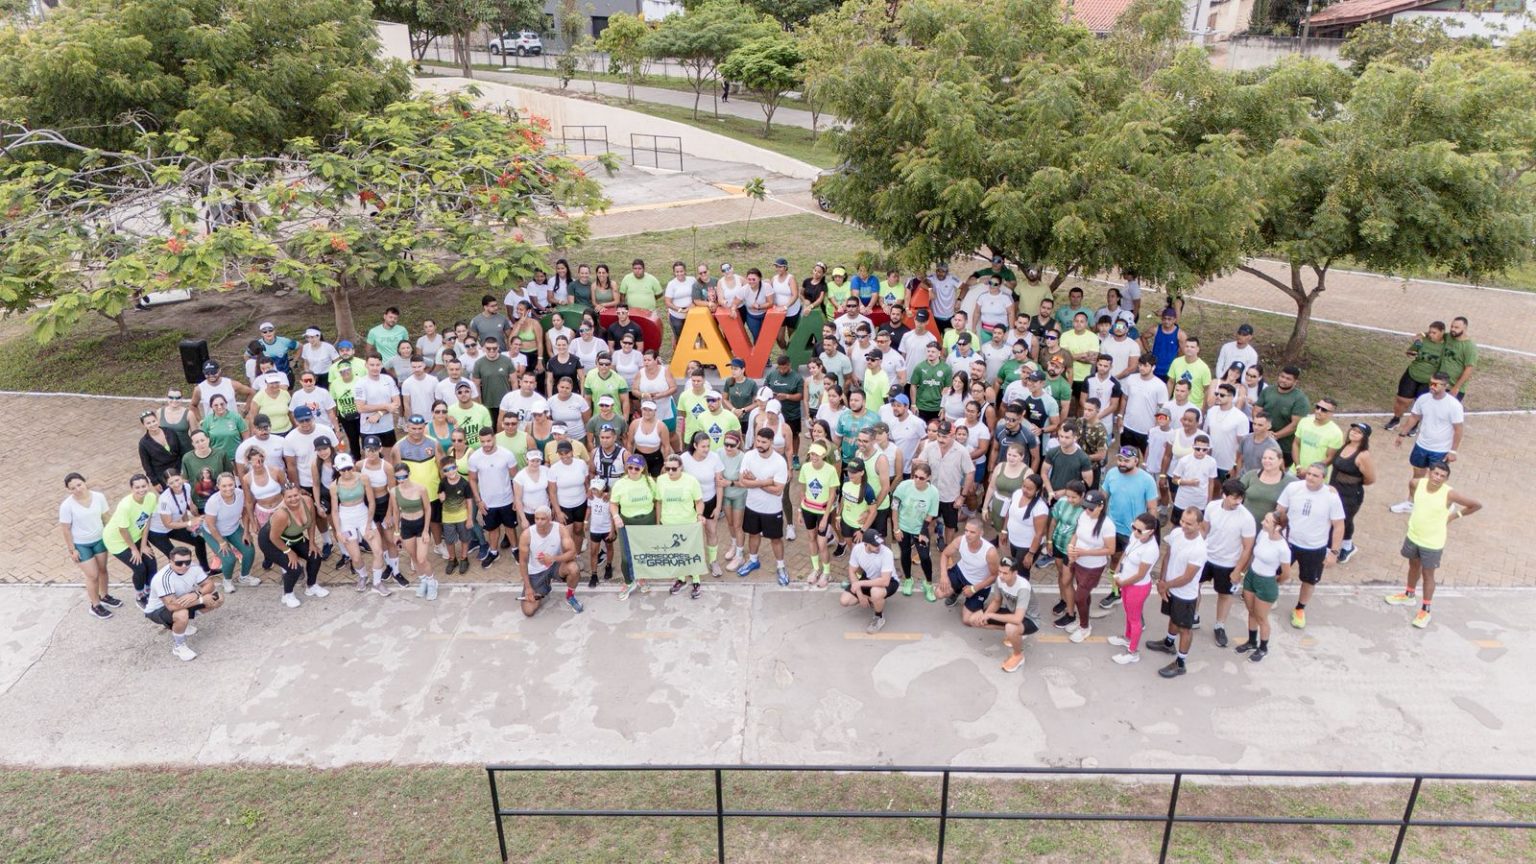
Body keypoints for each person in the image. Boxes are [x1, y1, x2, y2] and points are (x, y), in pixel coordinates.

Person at [1385, 462, 1481, 629]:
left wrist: (1453, 516)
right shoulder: (1417, 483)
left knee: (1428, 575)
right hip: (1413, 535)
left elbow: (1476, 505)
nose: (1438, 478)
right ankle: (1409, 595)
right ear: (1430, 473)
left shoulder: (1449, 494)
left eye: (1442, 476)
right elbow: (1412, 488)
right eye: (1436, 473)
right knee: (1413, 566)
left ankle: (1425, 610)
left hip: (1432, 542)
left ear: (1446, 479)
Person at [1274, 462, 1345, 630]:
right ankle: (1271, 595)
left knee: (1309, 580)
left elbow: (1339, 525)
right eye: (1309, 474)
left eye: (1315, 475)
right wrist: (1275, 532)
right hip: (1288, 543)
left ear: (1323, 478)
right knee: (1275, 572)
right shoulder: (1293, 488)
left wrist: (1334, 552)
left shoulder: (1331, 497)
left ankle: (1300, 609)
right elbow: (1280, 511)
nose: (1310, 478)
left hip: (1315, 548)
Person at [1390, 372, 1465, 514]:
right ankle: (1411, 503)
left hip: (1440, 449)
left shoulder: (1453, 405)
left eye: (1436, 384)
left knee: (1435, 480)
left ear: (1445, 386)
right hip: (1421, 445)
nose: (1432, 386)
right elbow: (1414, 417)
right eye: (1431, 383)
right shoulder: (1423, 399)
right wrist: (1402, 434)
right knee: (1417, 478)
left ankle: (1445, 504)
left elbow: (1458, 430)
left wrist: (1453, 451)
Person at [1147, 506, 1208, 678]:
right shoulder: (1176, 533)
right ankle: (1168, 643)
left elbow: (1188, 577)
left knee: (1185, 628)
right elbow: (1167, 556)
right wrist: (1162, 580)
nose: (1184, 526)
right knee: (1173, 618)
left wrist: (1166, 585)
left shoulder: (1199, 548)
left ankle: (1181, 663)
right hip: (1170, 587)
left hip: (1185, 594)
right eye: (1182, 521)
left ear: (1199, 525)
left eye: (1189, 524)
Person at [1200, 479, 1257, 647]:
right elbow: (1204, 530)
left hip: (1228, 563)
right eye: (1234, 497)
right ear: (1224, 495)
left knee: (1225, 595)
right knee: (1194, 587)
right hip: (1206, 557)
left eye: (1240, 498)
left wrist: (1238, 571)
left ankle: (1220, 626)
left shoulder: (1246, 518)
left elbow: (1248, 548)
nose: (1238, 501)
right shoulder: (1212, 507)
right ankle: (1192, 616)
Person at [143, 547, 224, 662]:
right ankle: (179, 646)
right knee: (181, 614)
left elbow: (210, 584)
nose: (184, 566)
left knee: (218, 598)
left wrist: (197, 594)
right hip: (158, 609)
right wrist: (201, 600)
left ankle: (182, 625)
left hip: (182, 600)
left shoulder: (194, 568)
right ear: (170, 561)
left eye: (187, 562)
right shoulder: (163, 578)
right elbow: (171, 606)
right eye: (179, 563)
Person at [60, 472, 120, 619]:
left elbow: (106, 517)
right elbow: (66, 529)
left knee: (103, 569)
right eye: (73, 488)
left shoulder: (99, 497)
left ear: (84, 482)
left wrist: (113, 535)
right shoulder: (67, 506)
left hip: (100, 539)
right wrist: (72, 550)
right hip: (81, 544)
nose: (77, 489)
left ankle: (104, 596)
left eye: (79, 485)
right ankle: (95, 605)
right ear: (69, 490)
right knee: (92, 575)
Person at [735, 427, 791, 585]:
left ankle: (780, 566)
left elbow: (778, 491)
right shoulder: (749, 456)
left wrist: (754, 481)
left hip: (772, 509)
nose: (759, 444)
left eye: (763, 442)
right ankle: (753, 560)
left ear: (771, 442)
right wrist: (766, 481)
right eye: (757, 440)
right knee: (753, 534)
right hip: (752, 506)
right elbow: (742, 482)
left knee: (776, 539)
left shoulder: (779, 462)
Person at [1236, 511, 1292, 662]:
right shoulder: (1263, 535)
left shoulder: (1283, 548)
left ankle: (1263, 647)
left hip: (1266, 581)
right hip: (1251, 576)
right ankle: (1251, 642)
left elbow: (1286, 574)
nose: (1262, 522)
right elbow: (1254, 554)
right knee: (1251, 612)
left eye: (1267, 521)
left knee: (1261, 617)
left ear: (1278, 527)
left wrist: (1274, 582)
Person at [262, 484, 327, 608]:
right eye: (289, 497)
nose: (293, 499)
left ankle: (311, 586)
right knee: (295, 567)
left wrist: (312, 543)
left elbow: (312, 522)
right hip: (271, 541)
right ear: (283, 498)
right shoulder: (281, 514)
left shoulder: (308, 501)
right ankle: (287, 594)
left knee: (315, 556)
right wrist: (289, 552)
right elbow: (274, 537)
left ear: (300, 494)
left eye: (296, 495)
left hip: (293, 537)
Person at [1107, 512, 1160, 665]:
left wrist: (1122, 583)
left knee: (1135, 619)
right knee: (1128, 614)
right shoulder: (1135, 537)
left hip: (1137, 587)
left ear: (1150, 532)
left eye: (1139, 530)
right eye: (1133, 527)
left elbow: (1140, 574)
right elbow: (1125, 553)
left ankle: (1133, 652)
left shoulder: (1151, 549)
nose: (1135, 532)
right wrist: (1117, 570)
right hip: (1126, 582)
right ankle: (1127, 638)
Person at [1063, 489, 1115, 642]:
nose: (1087, 511)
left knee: (1080, 597)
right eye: (1085, 507)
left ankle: (1085, 627)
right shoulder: (1083, 515)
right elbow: (1076, 534)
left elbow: (1110, 549)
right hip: (1078, 561)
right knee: (1083, 595)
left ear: (1101, 506)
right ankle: (1081, 621)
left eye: (1091, 508)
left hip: (1093, 567)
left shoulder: (1107, 525)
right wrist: (1071, 546)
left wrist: (1084, 552)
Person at [106, 474, 160, 607]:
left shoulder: (151, 497)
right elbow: (122, 530)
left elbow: (147, 519)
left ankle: (149, 591)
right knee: (140, 568)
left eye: (144, 486)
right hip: (117, 540)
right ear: (131, 489)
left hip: (136, 536)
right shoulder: (125, 506)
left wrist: (143, 545)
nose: (141, 490)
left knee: (151, 563)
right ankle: (140, 595)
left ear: (148, 485)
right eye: (137, 487)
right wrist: (134, 550)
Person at [657, 454, 707, 597]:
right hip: (668, 523)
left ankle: (696, 580)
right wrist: (658, 521)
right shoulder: (661, 480)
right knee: (675, 553)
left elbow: (699, 501)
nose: (670, 472)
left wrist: (699, 515)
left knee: (691, 552)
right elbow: (659, 502)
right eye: (667, 468)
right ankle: (681, 579)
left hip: (688, 523)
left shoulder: (691, 481)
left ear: (681, 468)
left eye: (674, 469)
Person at [611, 454, 659, 600]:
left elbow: (657, 501)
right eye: (630, 467)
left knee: (644, 553)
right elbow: (613, 503)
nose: (632, 470)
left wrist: (658, 521)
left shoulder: (649, 481)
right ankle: (628, 582)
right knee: (626, 556)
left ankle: (641, 578)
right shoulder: (620, 483)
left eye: (636, 468)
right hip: (627, 523)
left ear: (642, 468)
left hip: (647, 521)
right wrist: (616, 516)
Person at [519, 507, 583, 616]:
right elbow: (523, 562)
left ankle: (570, 596)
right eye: (536, 518)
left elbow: (572, 553)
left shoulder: (560, 529)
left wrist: (553, 558)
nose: (539, 522)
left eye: (542, 519)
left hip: (555, 566)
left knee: (574, 568)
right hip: (536, 572)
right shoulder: (527, 535)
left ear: (550, 519)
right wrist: (528, 587)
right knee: (528, 611)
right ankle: (542, 588)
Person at [1386, 321, 1447, 431]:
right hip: (1413, 373)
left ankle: (1414, 425)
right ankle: (1396, 419)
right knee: (1402, 399)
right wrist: (1412, 350)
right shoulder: (1422, 340)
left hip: (1430, 379)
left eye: (1434, 333)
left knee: (1422, 403)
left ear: (1442, 332)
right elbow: (1410, 352)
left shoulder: (1446, 346)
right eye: (1430, 332)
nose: (1431, 335)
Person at [1328, 422, 1375, 563]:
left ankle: (1347, 546)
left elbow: (1370, 479)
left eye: (1359, 432)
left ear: (1364, 437)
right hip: (1334, 491)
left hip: (1350, 495)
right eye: (1353, 430)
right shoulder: (1345, 446)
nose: (1354, 433)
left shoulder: (1363, 455)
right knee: (1331, 517)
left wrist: (1353, 482)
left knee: (1345, 520)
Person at [937, 517, 999, 619]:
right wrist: (943, 575)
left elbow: (994, 576)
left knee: (967, 619)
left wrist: (974, 589)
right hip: (961, 572)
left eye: (972, 532)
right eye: (966, 530)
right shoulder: (960, 540)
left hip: (978, 583)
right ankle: (956, 591)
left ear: (981, 533)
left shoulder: (990, 552)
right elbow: (945, 554)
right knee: (939, 593)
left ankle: (982, 606)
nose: (967, 534)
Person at [388, 463, 434, 599]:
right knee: (414, 558)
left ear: (409, 474)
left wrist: (426, 530)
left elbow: (428, 509)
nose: (401, 480)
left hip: (421, 524)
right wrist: (396, 532)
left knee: (422, 558)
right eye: (398, 477)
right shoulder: (394, 491)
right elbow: (396, 512)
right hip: (406, 526)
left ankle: (432, 582)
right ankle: (423, 581)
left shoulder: (421, 489)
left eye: (404, 476)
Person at [841, 528, 899, 634]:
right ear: (866, 544)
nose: (878, 546)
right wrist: (860, 595)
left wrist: (860, 583)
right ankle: (873, 600)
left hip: (890, 581)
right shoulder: (857, 549)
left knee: (876, 592)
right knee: (845, 601)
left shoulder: (887, 553)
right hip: (869, 578)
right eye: (875, 545)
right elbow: (851, 571)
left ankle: (879, 617)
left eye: (879, 543)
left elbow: (885, 581)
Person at [1254, 365, 1308, 464]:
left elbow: (1295, 424)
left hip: (1284, 446)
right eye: (1282, 376)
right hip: (1262, 439)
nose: (1283, 380)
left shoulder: (1300, 399)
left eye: (1288, 379)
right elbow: (1257, 411)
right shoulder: (1268, 391)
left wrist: (1276, 435)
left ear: (1295, 382)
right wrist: (1263, 430)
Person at [1292, 397, 1342, 470]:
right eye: (1317, 407)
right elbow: (1296, 444)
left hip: (1317, 474)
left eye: (1324, 410)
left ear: (1331, 413)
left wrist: (1310, 472)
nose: (1318, 411)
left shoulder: (1336, 433)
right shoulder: (1304, 421)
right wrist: (1298, 466)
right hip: (1295, 470)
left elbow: (1330, 458)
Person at [1440, 316, 1477, 401]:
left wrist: (1456, 388)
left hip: (1454, 388)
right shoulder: (1449, 337)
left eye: (1456, 327)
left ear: (1465, 328)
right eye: (1452, 326)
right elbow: (1436, 334)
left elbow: (1469, 369)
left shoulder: (1470, 347)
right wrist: (1422, 335)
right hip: (1440, 383)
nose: (1453, 329)